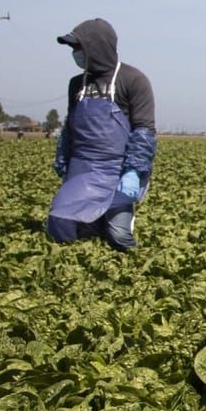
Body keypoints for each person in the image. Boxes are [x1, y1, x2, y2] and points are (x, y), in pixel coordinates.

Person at [47, 19, 155, 251]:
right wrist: (63, 162)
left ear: (96, 47)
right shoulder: (76, 84)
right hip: (82, 169)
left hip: (116, 171)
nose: (76, 53)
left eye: (79, 47)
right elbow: (70, 128)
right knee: (60, 227)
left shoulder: (133, 79)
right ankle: (93, 223)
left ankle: (113, 220)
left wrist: (133, 171)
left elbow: (144, 130)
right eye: (73, 48)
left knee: (119, 237)